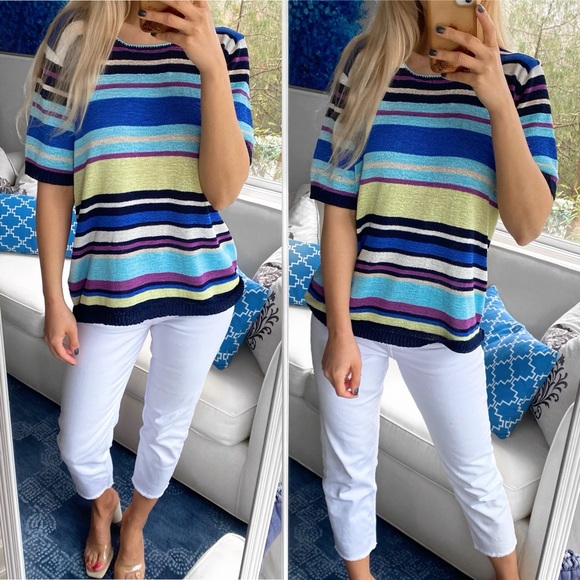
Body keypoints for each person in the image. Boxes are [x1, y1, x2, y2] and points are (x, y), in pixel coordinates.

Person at [304, 1, 557, 579]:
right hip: (351, 317)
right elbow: (337, 209)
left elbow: (527, 224)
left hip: (448, 320)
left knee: (474, 473)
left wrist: (497, 101)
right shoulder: (366, 64)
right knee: (348, 472)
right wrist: (340, 331)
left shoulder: (519, 77)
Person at [21, 1, 252, 578]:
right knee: (77, 441)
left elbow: (224, 191)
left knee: (166, 428)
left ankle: (138, 524)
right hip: (109, 282)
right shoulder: (76, 39)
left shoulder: (225, 47)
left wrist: (210, 68)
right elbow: (53, 183)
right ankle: (103, 504)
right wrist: (54, 299)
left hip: (200, 285)